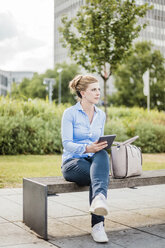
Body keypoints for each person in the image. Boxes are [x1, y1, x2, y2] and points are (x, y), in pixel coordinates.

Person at [61, 75, 110, 243]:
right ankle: (98, 225)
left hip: (93, 159)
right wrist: (86, 148)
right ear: (82, 93)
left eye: (99, 89)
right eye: (94, 90)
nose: (98, 93)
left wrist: (98, 146)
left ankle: (99, 202)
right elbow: (67, 144)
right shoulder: (70, 113)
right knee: (99, 178)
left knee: (102, 153)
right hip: (73, 163)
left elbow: (98, 140)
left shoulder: (101, 115)